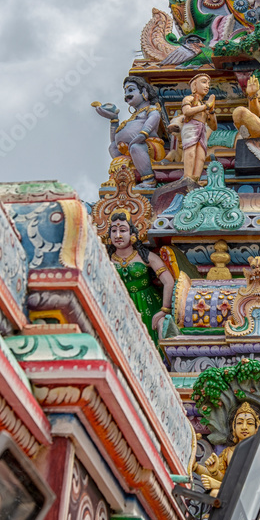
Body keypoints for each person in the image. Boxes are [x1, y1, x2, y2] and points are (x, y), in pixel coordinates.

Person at [106, 210, 174, 341]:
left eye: (123, 230)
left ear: (132, 233)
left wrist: (164, 310)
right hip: (118, 307)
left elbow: (169, 282)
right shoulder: (105, 259)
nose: (118, 235)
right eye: (114, 231)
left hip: (147, 305)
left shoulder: (145, 257)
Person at [94, 77, 163, 188]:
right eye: (125, 92)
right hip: (129, 148)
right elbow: (114, 141)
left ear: (144, 91)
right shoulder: (134, 116)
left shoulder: (151, 109)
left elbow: (154, 118)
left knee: (136, 147)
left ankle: (149, 180)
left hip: (150, 145)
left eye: (130, 90)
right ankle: (124, 176)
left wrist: (143, 134)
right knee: (112, 147)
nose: (126, 95)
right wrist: (114, 119)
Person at [168, 73, 217, 184]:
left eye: (209, 83)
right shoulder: (189, 98)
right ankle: (187, 177)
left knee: (201, 156)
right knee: (190, 152)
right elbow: (187, 112)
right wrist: (206, 107)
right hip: (191, 127)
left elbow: (214, 127)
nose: (207, 86)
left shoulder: (205, 105)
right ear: (194, 86)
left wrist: (212, 111)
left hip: (202, 129)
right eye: (204, 82)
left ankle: (196, 179)